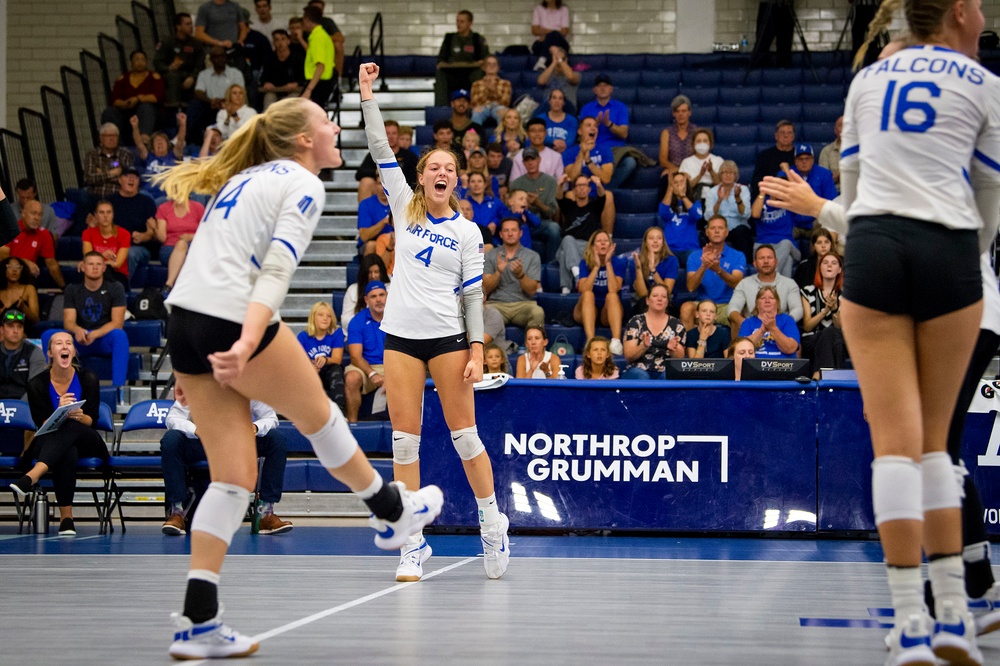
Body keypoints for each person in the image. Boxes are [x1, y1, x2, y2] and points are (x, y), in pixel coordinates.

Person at [156, 93, 442, 659]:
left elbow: (200, 262)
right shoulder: (303, 184)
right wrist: (244, 339)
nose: (335, 129)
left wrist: (184, 358)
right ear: (304, 140)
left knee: (232, 478)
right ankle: (390, 513)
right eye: (326, 123)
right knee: (319, 416)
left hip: (184, 320)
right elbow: (277, 271)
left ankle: (198, 621)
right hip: (230, 316)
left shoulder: (242, 180)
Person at [361, 62, 510, 583]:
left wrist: (475, 349)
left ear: (457, 178)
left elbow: (472, 297)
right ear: (421, 177)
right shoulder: (404, 206)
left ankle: (492, 523)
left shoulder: (469, 233)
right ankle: (413, 544)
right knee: (405, 443)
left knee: (465, 438)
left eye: (450, 167)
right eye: (434, 167)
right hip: (400, 339)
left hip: (448, 340)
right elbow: (381, 149)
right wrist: (366, 94)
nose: (443, 172)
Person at [8, 331, 107, 536]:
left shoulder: (88, 378)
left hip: (86, 438)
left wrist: (78, 416)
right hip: (50, 439)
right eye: (59, 343)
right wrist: (58, 413)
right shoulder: (37, 384)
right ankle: (66, 520)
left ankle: (32, 476)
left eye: (69, 343)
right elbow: (41, 425)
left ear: (73, 352)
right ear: (50, 353)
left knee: (72, 426)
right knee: (66, 450)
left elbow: (92, 420)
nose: (64, 347)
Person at [160, 389, 294, 536]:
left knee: (277, 439)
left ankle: (265, 513)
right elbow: (172, 418)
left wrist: (256, 427)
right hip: (204, 443)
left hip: (238, 443)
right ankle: (177, 512)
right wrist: (195, 430)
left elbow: (271, 418)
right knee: (171, 440)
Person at [55, 252, 130, 387]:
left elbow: (117, 323)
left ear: (104, 268)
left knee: (120, 335)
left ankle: (119, 390)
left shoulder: (116, 287)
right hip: (79, 339)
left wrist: (95, 334)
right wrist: (77, 330)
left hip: (102, 338)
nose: (95, 267)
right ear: (82, 267)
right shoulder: (72, 289)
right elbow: (68, 322)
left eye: (98, 264)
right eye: (90, 264)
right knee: (50, 336)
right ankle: (54, 386)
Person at [680, 215, 746, 330]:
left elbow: (737, 284)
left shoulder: (738, 255)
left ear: (726, 232)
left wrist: (718, 270)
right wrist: (704, 266)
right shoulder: (695, 256)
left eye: (720, 228)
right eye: (713, 228)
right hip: (703, 304)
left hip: (728, 304)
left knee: (741, 310)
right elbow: (690, 287)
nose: (716, 231)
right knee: (686, 308)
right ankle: (690, 347)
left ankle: (735, 348)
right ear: (707, 232)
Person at [484, 217, 546, 332]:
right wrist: (498, 272)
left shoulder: (532, 256)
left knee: (537, 312)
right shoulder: (490, 255)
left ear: (520, 233)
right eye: (506, 231)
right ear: (501, 234)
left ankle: (532, 349)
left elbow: (532, 290)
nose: (510, 234)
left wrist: (520, 275)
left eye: (513, 230)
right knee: (481, 312)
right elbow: (486, 289)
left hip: (523, 304)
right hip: (496, 304)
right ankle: (489, 350)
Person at [727, 244, 803, 333]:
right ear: (755, 263)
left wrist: (783, 324)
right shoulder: (744, 283)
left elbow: (797, 309)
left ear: (776, 262)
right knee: (734, 322)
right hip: (752, 330)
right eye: (761, 258)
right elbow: (733, 308)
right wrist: (746, 324)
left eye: (769, 258)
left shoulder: (789, 283)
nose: (766, 261)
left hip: (781, 329)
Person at [574, 229, 626, 355]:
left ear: (611, 245)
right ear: (593, 246)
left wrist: (607, 263)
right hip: (585, 309)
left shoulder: (619, 262)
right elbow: (583, 289)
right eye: (599, 241)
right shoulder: (585, 263)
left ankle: (616, 342)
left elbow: (614, 288)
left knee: (612, 295)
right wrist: (596, 266)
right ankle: (591, 342)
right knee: (588, 294)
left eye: (605, 241)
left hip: (607, 312)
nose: (603, 244)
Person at [344, 281, 388, 423]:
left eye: (382, 295)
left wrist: (392, 375)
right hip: (366, 366)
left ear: (387, 296)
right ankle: (353, 425)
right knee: (352, 378)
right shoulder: (357, 321)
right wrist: (372, 374)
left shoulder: (397, 318)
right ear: (366, 300)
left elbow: (405, 350)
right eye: (373, 296)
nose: (379, 299)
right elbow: (355, 356)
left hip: (393, 364)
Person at [622, 283, 685, 379]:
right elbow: (628, 356)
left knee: (668, 376)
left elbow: (680, 358)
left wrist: (673, 349)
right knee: (642, 376)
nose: (659, 299)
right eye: (655, 296)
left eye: (663, 297)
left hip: (665, 369)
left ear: (667, 302)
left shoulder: (677, 325)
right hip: (638, 369)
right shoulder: (636, 321)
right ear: (647, 301)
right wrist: (643, 346)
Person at [799, 252, 846, 378]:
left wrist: (835, 309)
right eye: (825, 263)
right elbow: (807, 326)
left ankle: (818, 376)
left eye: (834, 263)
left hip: (836, 339)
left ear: (839, 269)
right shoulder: (807, 291)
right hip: (812, 339)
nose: (829, 266)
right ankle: (837, 383)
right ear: (820, 268)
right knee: (832, 337)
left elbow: (839, 326)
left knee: (833, 336)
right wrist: (825, 311)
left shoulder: (846, 295)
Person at [103, 50, 164, 143]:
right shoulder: (122, 79)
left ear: (146, 62)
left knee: (146, 107)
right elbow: (114, 100)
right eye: (137, 60)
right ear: (131, 62)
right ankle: (116, 143)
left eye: (142, 60)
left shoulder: (154, 77)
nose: (140, 62)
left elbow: (157, 97)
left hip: (148, 113)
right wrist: (125, 104)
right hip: (127, 112)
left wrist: (138, 98)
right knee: (109, 112)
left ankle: (144, 140)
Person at [2, 201, 65, 290]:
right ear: (23, 213)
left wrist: (64, 287)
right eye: (33, 213)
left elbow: (51, 264)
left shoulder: (44, 234)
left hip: (26, 277)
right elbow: (2, 255)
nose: (37, 218)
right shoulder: (10, 228)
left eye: (40, 214)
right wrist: (24, 262)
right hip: (4, 273)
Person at [108, 167, 158, 278]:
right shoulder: (109, 202)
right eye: (127, 176)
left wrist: (145, 236)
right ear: (120, 180)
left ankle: (121, 289)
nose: (131, 179)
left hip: (138, 248)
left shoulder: (147, 202)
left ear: (138, 181)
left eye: (135, 177)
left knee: (128, 253)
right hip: (113, 244)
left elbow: (153, 232)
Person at [434, 10, 489, 106]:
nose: (458, 24)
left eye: (462, 22)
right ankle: (441, 108)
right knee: (440, 74)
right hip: (452, 74)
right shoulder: (449, 38)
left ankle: (477, 106)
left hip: (470, 74)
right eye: (457, 21)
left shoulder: (477, 39)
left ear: (470, 23)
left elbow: (485, 59)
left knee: (479, 74)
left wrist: (480, 63)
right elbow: (441, 59)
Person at [355, 120, 419, 202]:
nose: (391, 137)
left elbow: (415, 178)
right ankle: (366, 213)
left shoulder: (409, 156)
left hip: (402, 191)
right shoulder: (375, 154)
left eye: (394, 133)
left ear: (398, 135)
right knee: (366, 182)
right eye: (387, 134)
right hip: (381, 190)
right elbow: (359, 174)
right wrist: (377, 172)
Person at [298, 301, 345, 410]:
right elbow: (299, 361)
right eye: (320, 315)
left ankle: (340, 413)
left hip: (329, 371)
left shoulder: (336, 333)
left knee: (336, 369)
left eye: (329, 316)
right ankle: (303, 415)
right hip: (311, 370)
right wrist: (310, 367)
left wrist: (325, 359)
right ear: (313, 317)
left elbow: (337, 359)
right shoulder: (303, 336)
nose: (325, 318)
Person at [132, 113, 187, 204]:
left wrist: (183, 124)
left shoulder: (174, 155)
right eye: (156, 141)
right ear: (152, 147)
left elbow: (180, 141)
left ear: (168, 144)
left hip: (169, 196)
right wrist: (135, 127)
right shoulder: (148, 157)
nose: (159, 142)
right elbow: (139, 144)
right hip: (149, 195)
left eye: (162, 141)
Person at [703, 161, 752, 262]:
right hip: (719, 228)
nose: (728, 175)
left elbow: (746, 214)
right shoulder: (712, 192)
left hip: (738, 227)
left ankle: (745, 264)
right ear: (720, 175)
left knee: (742, 232)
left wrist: (738, 198)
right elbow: (708, 217)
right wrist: (719, 200)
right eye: (725, 172)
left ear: (736, 175)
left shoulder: (743, 189)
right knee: (710, 232)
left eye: (731, 172)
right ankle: (711, 263)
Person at [154, 12, 205, 109]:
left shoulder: (196, 44)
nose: (191, 27)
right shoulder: (167, 42)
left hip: (189, 75)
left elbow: (200, 65)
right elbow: (157, 62)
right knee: (173, 77)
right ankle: (174, 108)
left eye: (191, 24)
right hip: (171, 74)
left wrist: (192, 77)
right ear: (178, 27)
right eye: (187, 24)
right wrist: (168, 68)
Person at [155, 198, 205, 293]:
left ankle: (168, 285)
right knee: (181, 245)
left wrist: (190, 237)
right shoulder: (163, 208)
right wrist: (154, 228)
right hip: (169, 248)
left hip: (193, 247)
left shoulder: (198, 207)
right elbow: (162, 238)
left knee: (183, 245)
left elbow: (206, 232)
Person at [737, 286, 800, 358]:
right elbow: (742, 348)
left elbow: (790, 348)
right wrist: (761, 330)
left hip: (783, 366)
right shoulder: (748, 323)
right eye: (763, 298)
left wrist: (773, 328)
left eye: (771, 298)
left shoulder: (787, 320)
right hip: (754, 365)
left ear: (777, 303)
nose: (767, 301)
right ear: (757, 304)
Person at [658, 171, 702, 270]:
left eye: (681, 182)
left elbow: (696, 215)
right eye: (675, 182)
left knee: (698, 262)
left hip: (690, 249)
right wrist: (670, 188)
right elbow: (663, 212)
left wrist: (683, 196)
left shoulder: (695, 203)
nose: (678, 185)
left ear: (686, 184)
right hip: (670, 249)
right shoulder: (667, 203)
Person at [630, 225, 678, 315]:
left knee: (663, 302)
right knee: (644, 303)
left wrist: (653, 270)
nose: (655, 241)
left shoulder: (672, 260)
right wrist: (638, 268)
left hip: (666, 302)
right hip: (644, 303)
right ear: (645, 242)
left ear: (663, 242)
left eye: (659, 238)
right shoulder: (636, 261)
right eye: (651, 238)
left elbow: (667, 292)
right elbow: (642, 294)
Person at [81, 201, 130, 286]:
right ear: (96, 215)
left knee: (106, 273)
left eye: (109, 212)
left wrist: (98, 259)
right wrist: (102, 256)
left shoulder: (124, 234)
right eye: (101, 212)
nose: (105, 216)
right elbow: (88, 257)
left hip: (117, 274)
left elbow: (117, 264)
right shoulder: (87, 233)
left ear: (113, 215)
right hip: (95, 272)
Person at [0, 308, 45, 399]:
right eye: (11, 326)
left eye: (19, 327)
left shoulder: (34, 352)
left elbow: (37, 387)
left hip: (24, 406)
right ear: (2, 329)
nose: (16, 331)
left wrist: (19, 406)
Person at [84, 124, 135, 199]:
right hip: (95, 195)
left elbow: (126, 180)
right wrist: (112, 173)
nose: (111, 139)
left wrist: (101, 172)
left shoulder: (125, 154)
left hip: (117, 195)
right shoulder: (92, 155)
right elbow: (89, 179)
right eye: (108, 136)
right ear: (101, 138)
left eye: (114, 136)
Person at [342, 254, 390, 332]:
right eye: (369, 272)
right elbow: (345, 321)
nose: (373, 276)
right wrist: (367, 326)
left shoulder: (391, 287)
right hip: (359, 333)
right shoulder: (353, 290)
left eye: (376, 272)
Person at [750, 119, 795, 200]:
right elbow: (756, 182)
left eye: (789, 133)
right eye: (782, 133)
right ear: (776, 136)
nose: (786, 136)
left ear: (793, 136)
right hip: (769, 197)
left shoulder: (799, 156)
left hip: (793, 197)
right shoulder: (764, 156)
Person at [260, 29, 305, 109]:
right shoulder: (269, 58)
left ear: (288, 41)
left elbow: (303, 77)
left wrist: (296, 83)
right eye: (277, 40)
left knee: (286, 105)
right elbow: (263, 77)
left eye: (283, 39)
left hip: (293, 91)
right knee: (268, 101)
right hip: (274, 91)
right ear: (274, 43)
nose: (280, 42)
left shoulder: (298, 58)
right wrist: (266, 83)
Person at [301, 5, 335, 107]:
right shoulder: (322, 35)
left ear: (307, 19)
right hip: (322, 82)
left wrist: (309, 89)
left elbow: (320, 65)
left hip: (319, 83)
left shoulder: (317, 38)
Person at [658, 95, 698, 181]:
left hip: (692, 170)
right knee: (666, 178)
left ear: (689, 113)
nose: (680, 114)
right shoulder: (667, 132)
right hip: (673, 169)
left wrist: (686, 171)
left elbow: (700, 156)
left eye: (683, 111)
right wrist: (680, 171)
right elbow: (663, 160)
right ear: (673, 114)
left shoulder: (696, 132)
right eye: (677, 111)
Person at [677, 128, 722, 199]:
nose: (702, 143)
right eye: (698, 141)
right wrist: (700, 175)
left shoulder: (718, 160)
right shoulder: (686, 162)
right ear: (693, 144)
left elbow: (721, 184)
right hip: (694, 196)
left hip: (715, 197)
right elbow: (685, 187)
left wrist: (711, 171)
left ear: (710, 144)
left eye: (705, 141)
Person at [469, 55, 511, 127]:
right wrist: (489, 91)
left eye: (494, 64)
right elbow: (474, 102)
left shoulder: (505, 83)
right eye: (489, 64)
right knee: (476, 113)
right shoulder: (476, 84)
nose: (492, 66)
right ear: (484, 67)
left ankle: (501, 137)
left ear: (498, 68)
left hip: (498, 107)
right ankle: (474, 137)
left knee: (503, 112)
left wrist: (492, 90)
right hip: (482, 107)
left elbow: (505, 102)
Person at [750, 0, 794, 68]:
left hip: (783, 5)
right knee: (763, 44)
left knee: (784, 45)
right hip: (773, 4)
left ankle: (783, 67)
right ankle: (761, 65)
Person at [356, 172, 392, 255]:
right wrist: (384, 222)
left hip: (393, 241)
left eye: (387, 184)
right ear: (375, 185)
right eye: (380, 184)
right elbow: (364, 236)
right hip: (371, 242)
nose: (383, 188)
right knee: (371, 245)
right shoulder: (366, 204)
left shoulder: (399, 203)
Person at [536, 48, 579, 114]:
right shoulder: (548, 74)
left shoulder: (576, 74)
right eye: (556, 58)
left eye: (562, 59)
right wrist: (554, 63)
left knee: (562, 102)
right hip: (548, 107)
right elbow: (540, 81)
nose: (559, 62)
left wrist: (560, 60)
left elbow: (570, 77)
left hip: (567, 107)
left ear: (566, 60)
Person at [531, 0, 571, 69]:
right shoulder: (538, 9)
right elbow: (535, 31)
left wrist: (547, 34)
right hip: (541, 44)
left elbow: (564, 31)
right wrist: (555, 32)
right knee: (554, 35)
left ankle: (542, 60)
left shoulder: (564, 9)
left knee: (554, 34)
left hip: (560, 44)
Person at [0, 258, 40, 326]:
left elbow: (35, 320)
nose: (14, 270)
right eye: (10, 267)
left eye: (18, 267)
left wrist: (24, 308)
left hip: (23, 331)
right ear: (4, 269)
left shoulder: (29, 289)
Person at [818, 115, 843, 190]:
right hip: (834, 194)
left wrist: (838, 174)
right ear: (835, 130)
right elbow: (824, 181)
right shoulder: (826, 151)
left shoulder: (861, 151)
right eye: (841, 125)